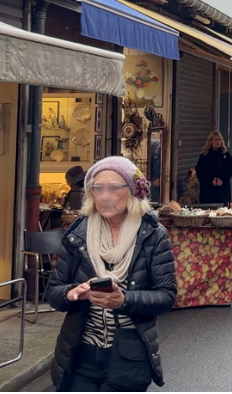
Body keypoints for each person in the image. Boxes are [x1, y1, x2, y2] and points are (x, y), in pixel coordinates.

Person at [46, 157, 176, 391]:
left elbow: (166, 297)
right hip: (81, 352)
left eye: (114, 188)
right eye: (98, 188)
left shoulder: (153, 235)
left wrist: (123, 301)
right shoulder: (79, 235)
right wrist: (71, 293)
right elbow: (53, 292)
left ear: (132, 192)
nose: (105, 196)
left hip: (129, 355)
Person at [194, 131, 232, 206]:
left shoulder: (225, 154)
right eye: (215, 140)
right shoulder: (205, 155)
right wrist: (211, 179)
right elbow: (200, 171)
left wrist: (222, 179)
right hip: (208, 189)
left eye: (219, 140)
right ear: (211, 141)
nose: (218, 142)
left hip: (222, 188)